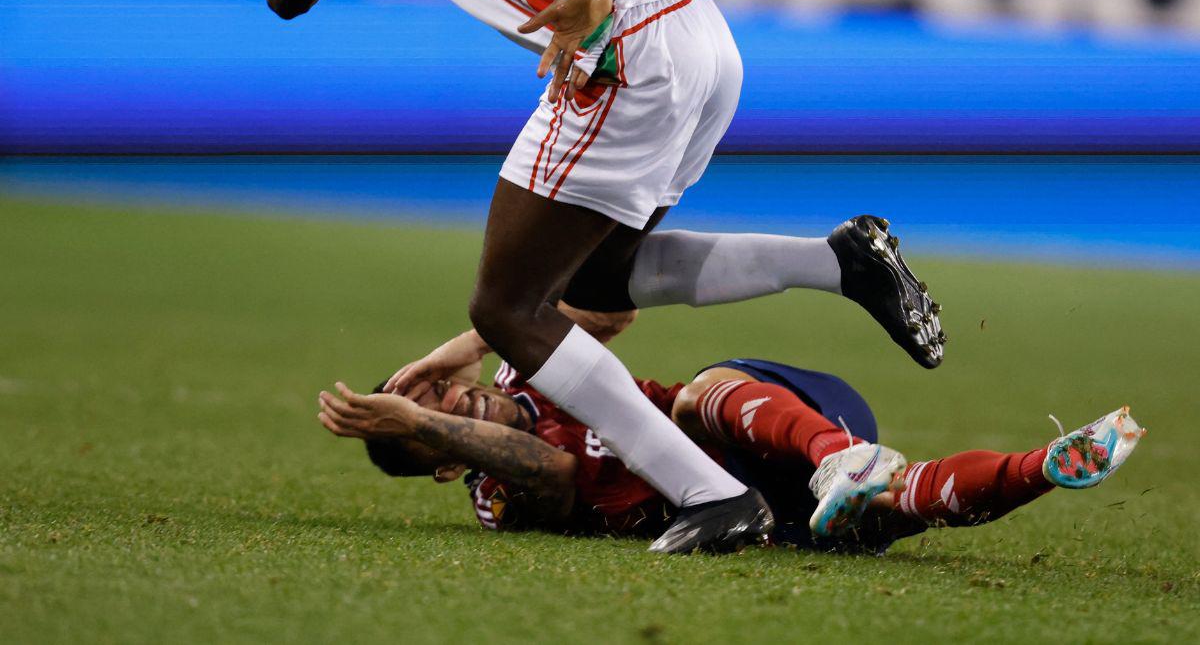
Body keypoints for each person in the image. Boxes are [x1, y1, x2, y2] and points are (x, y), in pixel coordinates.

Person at [269, 0, 944, 553]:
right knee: (595, 276)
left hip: (619, 54)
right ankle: (839, 262)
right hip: (702, 32)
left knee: (505, 308)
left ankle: (715, 496)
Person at [317, 354, 1144, 550]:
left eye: (425, 390)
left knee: (693, 397)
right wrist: (421, 427)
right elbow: (556, 473)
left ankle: (834, 455)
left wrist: (462, 341)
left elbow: (606, 315)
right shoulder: (496, 494)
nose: (438, 400)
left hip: (771, 415)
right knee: (905, 500)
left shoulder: (526, 358)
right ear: (446, 460)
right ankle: (1051, 464)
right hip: (764, 512)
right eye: (421, 419)